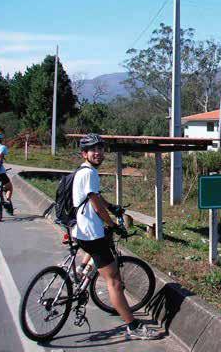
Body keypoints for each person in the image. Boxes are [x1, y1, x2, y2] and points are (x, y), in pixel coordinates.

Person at [72, 133, 159, 340]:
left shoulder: (84, 171)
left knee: (98, 256)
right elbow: (94, 201)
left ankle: (82, 274)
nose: (98, 153)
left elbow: (96, 196)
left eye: (100, 149)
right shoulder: (90, 173)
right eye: (93, 150)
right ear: (84, 153)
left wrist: (112, 207)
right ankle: (133, 326)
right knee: (115, 283)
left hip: (82, 230)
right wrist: (111, 223)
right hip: (92, 233)